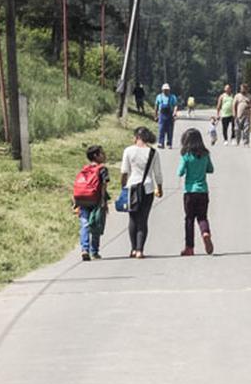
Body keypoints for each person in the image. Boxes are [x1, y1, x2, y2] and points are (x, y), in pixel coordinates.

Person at [120, 126, 163, 258]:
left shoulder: (128, 151)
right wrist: (159, 188)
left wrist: (123, 188)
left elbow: (124, 172)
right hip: (148, 188)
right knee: (143, 219)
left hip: (132, 187)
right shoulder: (153, 152)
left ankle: (133, 249)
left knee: (133, 219)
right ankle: (140, 250)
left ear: (137, 137)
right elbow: (158, 174)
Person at [176, 128, 215, 256]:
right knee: (202, 217)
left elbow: (180, 172)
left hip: (189, 192)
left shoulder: (186, 155)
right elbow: (210, 169)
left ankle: (189, 247)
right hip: (203, 191)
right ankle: (205, 232)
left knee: (189, 219)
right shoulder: (205, 154)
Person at [72, 145, 110, 261]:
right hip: (96, 200)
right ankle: (94, 251)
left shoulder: (85, 169)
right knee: (96, 224)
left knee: (84, 224)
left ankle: (84, 249)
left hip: (82, 200)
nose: (104, 155)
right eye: (102, 153)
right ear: (96, 156)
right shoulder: (102, 169)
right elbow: (104, 185)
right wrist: (103, 200)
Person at [155, 83, 179, 149]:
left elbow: (175, 105)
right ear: (162, 90)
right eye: (165, 90)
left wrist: (175, 112)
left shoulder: (172, 97)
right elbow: (156, 106)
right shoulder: (159, 97)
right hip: (162, 115)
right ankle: (161, 143)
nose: (166, 91)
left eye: (167, 90)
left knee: (170, 130)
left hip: (170, 115)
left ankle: (169, 143)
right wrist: (156, 115)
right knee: (161, 129)